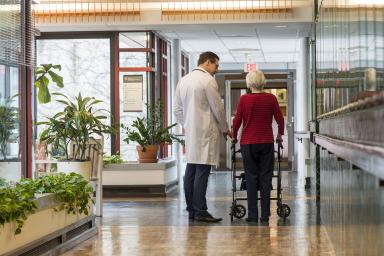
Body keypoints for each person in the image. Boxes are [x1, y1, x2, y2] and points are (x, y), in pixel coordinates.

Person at [174, 51, 232, 222]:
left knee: (190, 170)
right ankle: (200, 210)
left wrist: (187, 124)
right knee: (202, 172)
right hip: (206, 132)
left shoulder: (183, 80)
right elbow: (218, 108)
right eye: (216, 65)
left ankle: (191, 209)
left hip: (192, 133)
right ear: (207, 62)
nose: (216, 69)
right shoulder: (208, 80)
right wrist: (225, 128)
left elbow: (176, 109)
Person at [232, 70, 284, 224]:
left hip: (248, 143)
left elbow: (237, 121)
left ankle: (253, 215)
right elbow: (280, 119)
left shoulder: (244, 99)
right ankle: (265, 215)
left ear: (249, 83)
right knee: (266, 178)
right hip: (266, 142)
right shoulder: (271, 98)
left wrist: (234, 136)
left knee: (251, 177)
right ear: (263, 82)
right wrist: (279, 135)